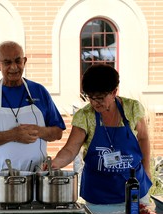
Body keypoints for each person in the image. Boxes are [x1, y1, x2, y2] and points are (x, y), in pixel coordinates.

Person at [0, 41, 66, 205]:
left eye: (18, 61)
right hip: (0, 179)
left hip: (36, 177)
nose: (14, 67)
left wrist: (39, 131)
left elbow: (57, 132)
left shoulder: (39, 91)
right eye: (7, 62)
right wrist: (13, 135)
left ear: (24, 61)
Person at [50, 63, 152, 204]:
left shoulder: (133, 109)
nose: (95, 103)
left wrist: (147, 171)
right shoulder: (84, 115)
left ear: (114, 92)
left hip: (134, 190)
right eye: (90, 97)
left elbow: (143, 138)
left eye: (100, 98)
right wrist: (55, 163)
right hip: (97, 193)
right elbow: (70, 149)